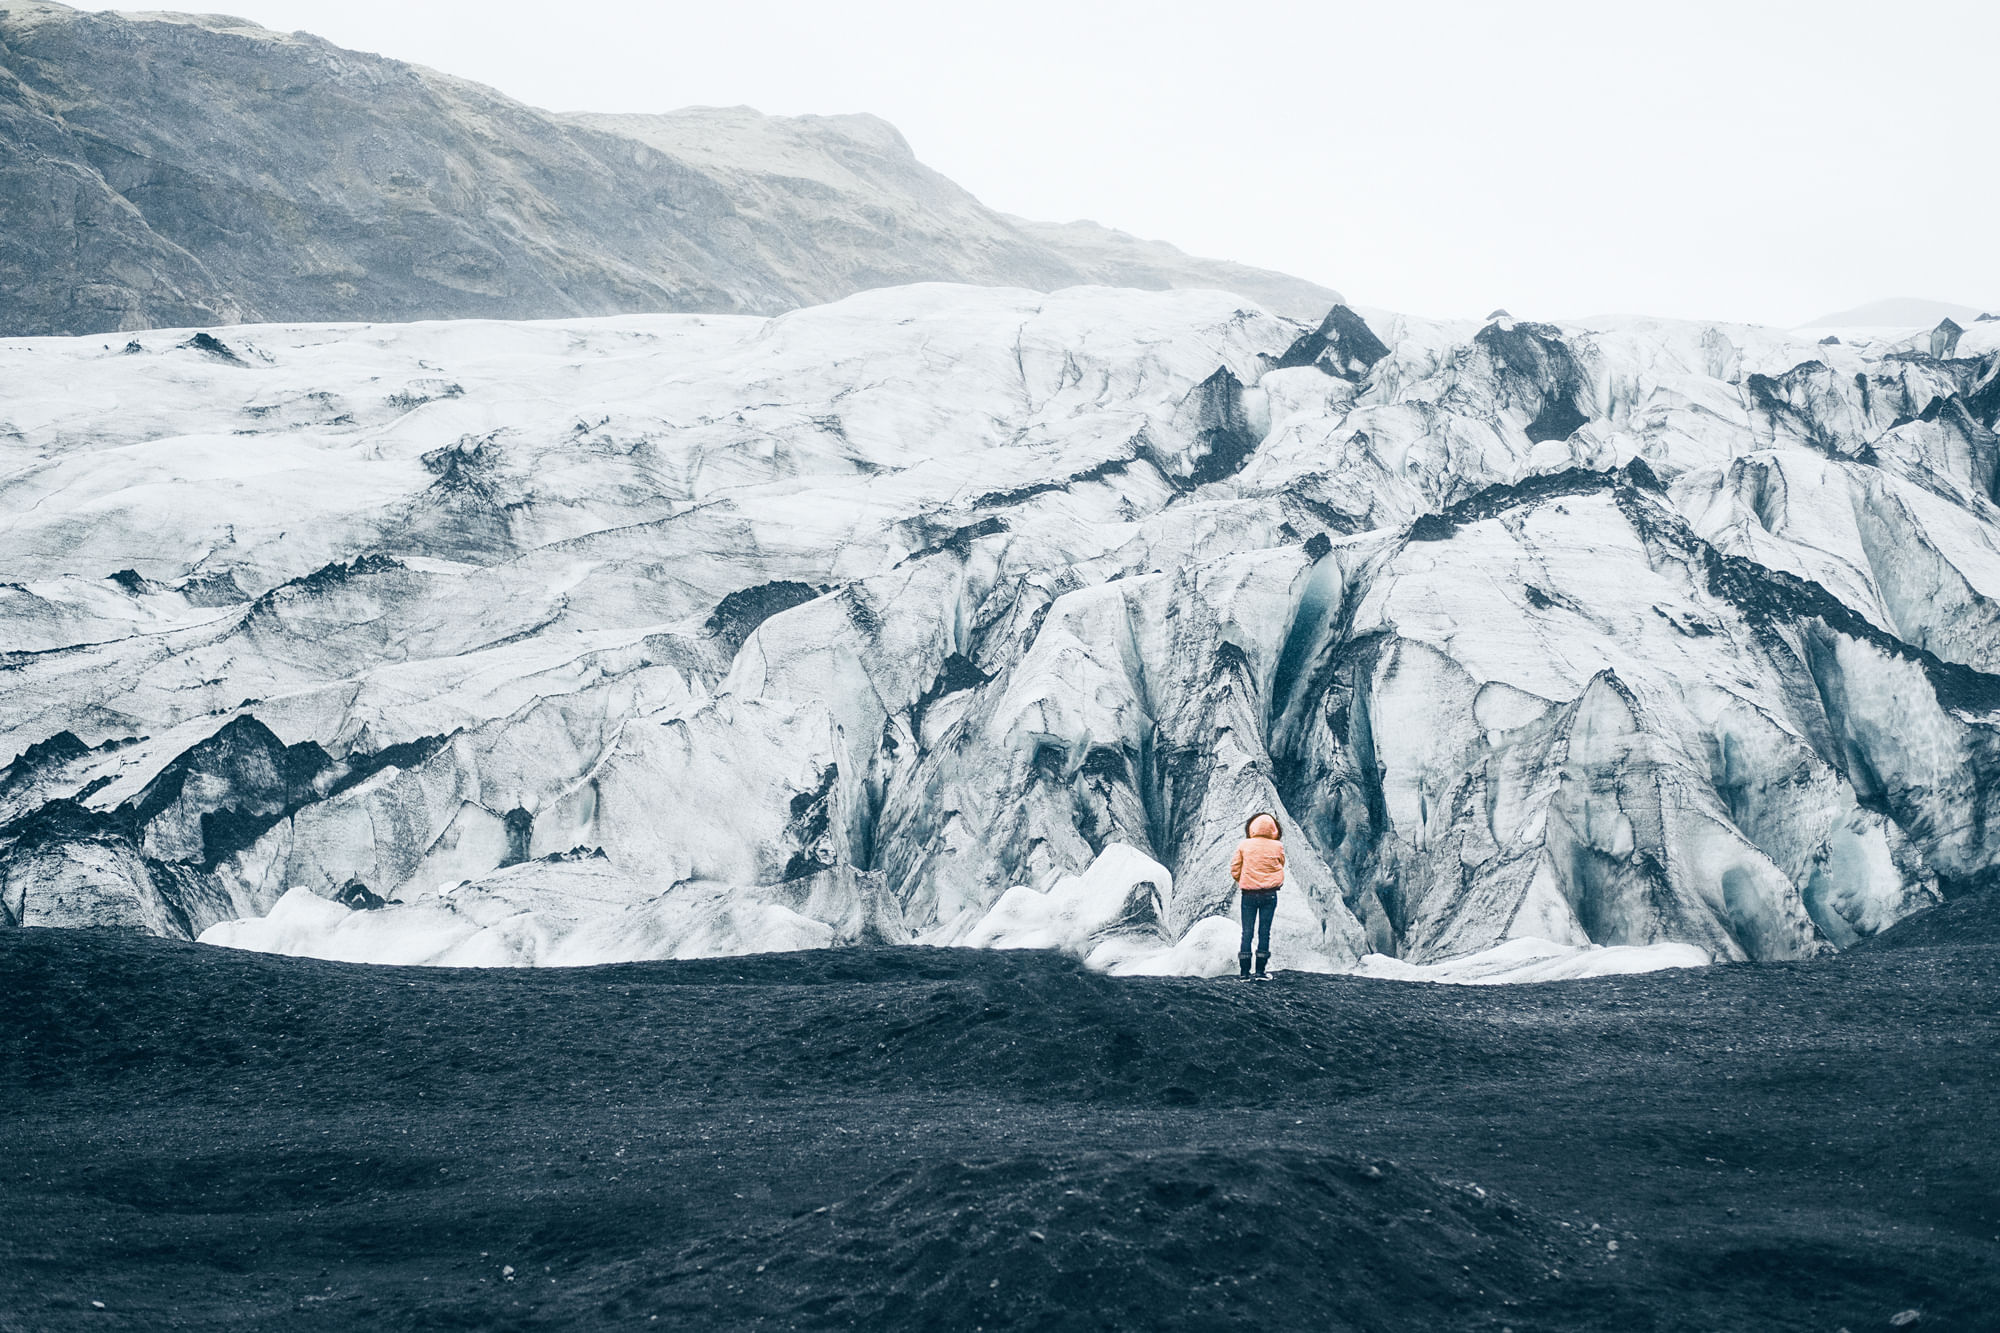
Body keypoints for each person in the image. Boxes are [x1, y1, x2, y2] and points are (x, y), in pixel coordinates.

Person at [1230, 812, 1286, 979]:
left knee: (1247, 932)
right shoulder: (1278, 846)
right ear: (1273, 829)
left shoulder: (1244, 845)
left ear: (1252, 827)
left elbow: (1235, 868)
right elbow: (1280, 864)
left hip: (1248, 894)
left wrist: (1245, 880)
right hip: (1269, 894)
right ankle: (1260, 971)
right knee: (1264, 932)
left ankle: (1244, 973)